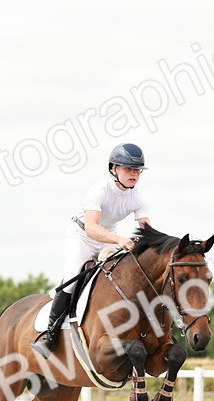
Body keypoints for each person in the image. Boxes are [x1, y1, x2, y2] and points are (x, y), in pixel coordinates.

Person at [31, 143, 151, 357]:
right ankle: (49, 335)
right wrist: (120, 240)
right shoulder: (99, 190)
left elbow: (147, 231)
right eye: (128, 169)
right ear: (114, 168)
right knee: (72, 278)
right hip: (82, 236)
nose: (134, 174)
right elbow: (92, 228)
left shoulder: (138, 197)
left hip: (109, 238)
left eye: (137, 170)